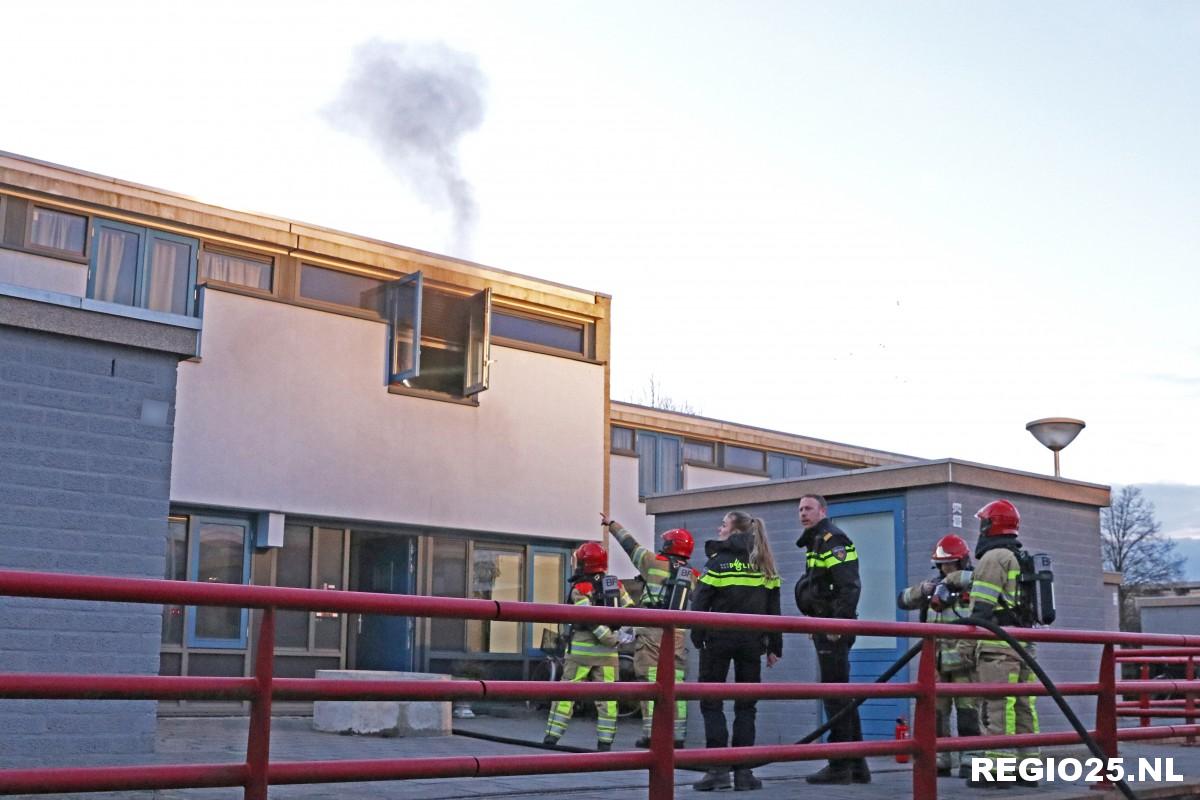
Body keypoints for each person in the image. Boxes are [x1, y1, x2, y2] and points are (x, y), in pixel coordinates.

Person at [689, 510, 782, 792]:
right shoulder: (765, 564)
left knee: (711, 702)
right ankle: (743, 772)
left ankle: (717, 770)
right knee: (746, 706)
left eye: (724, 524)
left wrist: (698, 636)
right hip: (752, 643)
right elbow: (774, 610)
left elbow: (699, 601)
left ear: (735, 531)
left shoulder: (718, 563)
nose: (719, 529)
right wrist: (774, 646)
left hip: (717, 642)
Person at [959, 499, 1041, 789]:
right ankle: (1027, 767)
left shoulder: (993, 558)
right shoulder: (1019, 555)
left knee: (995, 705)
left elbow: (981, 610)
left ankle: (997, 769)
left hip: (998, 645)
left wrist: (964, 645)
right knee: (1023, 706)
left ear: (990, 525)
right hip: (1024, 643)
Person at [601, 514, 697, 748]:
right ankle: (678, 736)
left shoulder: (653, 563)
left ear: (668, 546)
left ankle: (652, 735)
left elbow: (630, 545)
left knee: (650, 683)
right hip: (678, 633)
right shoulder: (693, 575)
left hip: (652, 630)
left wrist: (612, 524)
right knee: (678, 685)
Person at [793, 493, 869, 785]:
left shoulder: (833, 540)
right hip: (826, 625)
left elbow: (849, 584)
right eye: (800, 509)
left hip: (834, 628)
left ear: (822, 511)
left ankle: (839, 766)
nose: (803, 513)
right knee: (842, 694)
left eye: (809, 508)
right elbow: (820, 586)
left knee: (835, 695)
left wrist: (836, 622)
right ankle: (858, 765)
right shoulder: (816, 541)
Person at [897, 533, 982, 777]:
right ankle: (940, 758)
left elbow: (980, 581)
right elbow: (902, 600)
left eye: (951, 564)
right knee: (937, 713)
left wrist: (957, 580)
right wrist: (921, 590)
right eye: (943, 564)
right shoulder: (934, 589)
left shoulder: (973, 585)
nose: (946, 569)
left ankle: (971, 760)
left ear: (962, 562)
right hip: (937, 664)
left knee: (968, 713)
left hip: (965, 662)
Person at [543, 541, 634, 751]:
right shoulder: (616, 584)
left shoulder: (581, 587)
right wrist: (616, 638)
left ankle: (552, 737)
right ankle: (605, 743)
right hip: (609, 655)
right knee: (608, 700)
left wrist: (608, 638)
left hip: (582, 652)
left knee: (567, 694)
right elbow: (631, 610)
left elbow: (588, 618)